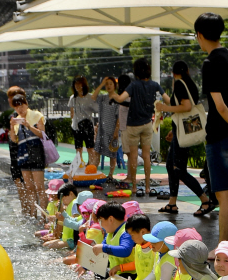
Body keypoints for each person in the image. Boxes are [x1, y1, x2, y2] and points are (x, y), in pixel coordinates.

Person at [195, 13, 228, 243]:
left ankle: (222, 248)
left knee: (223, 196)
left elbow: (220, 106)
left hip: (218, 136)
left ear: (199, 35)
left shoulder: (210, 63)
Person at [155, 60, 212, 216]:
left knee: (178, 169)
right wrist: (174, 131)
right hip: (181, 131)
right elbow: (184, 111)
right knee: (170, 165)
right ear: (187, 70)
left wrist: (164, 108)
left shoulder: (180, 84)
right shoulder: (189, 83)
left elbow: (186, 107)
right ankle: (172, 203)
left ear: (174, 73)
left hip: (183, 135)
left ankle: (205, 200)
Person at [114, 57, 161, 196]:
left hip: (133, 125)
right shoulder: (154, 85)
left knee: (133, 156)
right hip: (147, 124)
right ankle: (147, 186)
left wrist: (112, 94)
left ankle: (134, 186)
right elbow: (167, 99)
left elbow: (121, 99)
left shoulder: (133, 86)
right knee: (146, 156)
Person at [10, 94, 46, 214]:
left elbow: (42, 134)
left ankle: (44, 216)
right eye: (16, 107)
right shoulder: (17, 120)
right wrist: (11, 127)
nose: (20, 109)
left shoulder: (36, 115)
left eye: (21, 105)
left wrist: (29, 126)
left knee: (40, 188)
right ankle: (33, 214)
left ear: (26, 104)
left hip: (36, 153)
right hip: (23, 154)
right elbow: (14, 139)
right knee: (29, 188)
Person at [91, 202, 136, 277]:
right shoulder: (110, 233)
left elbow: (126, 250)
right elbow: (99, 252)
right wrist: (84, 266)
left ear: (111, 219)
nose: (101, 225)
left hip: (130, 274)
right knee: (97, 273)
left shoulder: (126, 232)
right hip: (116, 272)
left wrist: (103, 248)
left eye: (101, 220)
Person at [5, 86, 29, 215]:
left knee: (23, 183)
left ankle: (28, 210)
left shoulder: (21, 115)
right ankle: (25, 210)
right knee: (20, 182)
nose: (9, 100)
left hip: (21, 153)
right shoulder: (15, 115)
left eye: (10, 97)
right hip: (15, 153)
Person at [91, 76, 120, 177]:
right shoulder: (103, 98)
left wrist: (116, 131)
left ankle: (110, 175)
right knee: (97, 152)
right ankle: (94, 172)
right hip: (102, 130)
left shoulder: (117, 98)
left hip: (112, 130)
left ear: (114, 86)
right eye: (107, 84)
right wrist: (101, 84)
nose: (108, 86)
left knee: (112, 154)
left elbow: (119, 117)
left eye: (110, 84)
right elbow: (93, 97)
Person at [69, 77, 98, 167]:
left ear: (83, 85)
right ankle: (79, 164)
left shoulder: (90, 97)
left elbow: (96, 109)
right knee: (78, 148)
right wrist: (73, 122)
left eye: (79, 84)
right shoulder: (73, 98)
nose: (77, 86)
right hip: (76, 126)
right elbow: (71, 112)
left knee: (90, 147)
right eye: (75, 84)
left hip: (87, 125)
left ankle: (91, 165)